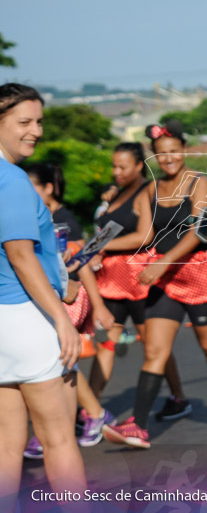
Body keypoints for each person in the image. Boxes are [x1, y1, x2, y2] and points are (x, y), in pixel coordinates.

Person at [103, 121, 207, 449]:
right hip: (164, 280)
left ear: (184, 150)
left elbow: (200, 231)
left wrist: (164, 261)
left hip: (199, 273)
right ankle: (138, 425)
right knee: (154, 350)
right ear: (154, 157)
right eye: (162, 154)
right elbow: (146, 235)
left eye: (174, 151)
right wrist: (99, 245)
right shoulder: (151, 190)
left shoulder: (199, 182)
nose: (168, 158)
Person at [0, 83, 86, 503]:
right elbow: (20, 255)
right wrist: (60, 319)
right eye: (24, 122)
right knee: (59, 441)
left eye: (39, 121)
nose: (35, 130)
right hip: (27, 318)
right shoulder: (13, 180)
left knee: (5, 446)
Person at [88, 143, 189, 422]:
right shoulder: (117, 193)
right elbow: (106, 229)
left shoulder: (148, 190)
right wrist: (91, 250)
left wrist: (103, 247)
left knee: (154, 345)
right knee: (105, 343)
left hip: (140, 278)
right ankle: (90, 409)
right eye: (114, 166)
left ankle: (178, 397)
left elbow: (144, 236)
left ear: (138, 166)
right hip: (111, 281)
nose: (116, 172)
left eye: (122, 167)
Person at [22, 163, 116, 455]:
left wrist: (95, 304)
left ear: (48, 188)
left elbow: (81, 258)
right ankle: (63, 423)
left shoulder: (64, 221)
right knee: (59, 365)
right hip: (44, 299)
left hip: (64, 301)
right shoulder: (35, 217)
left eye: (32, 186)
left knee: (60, 364)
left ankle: (89, 416)